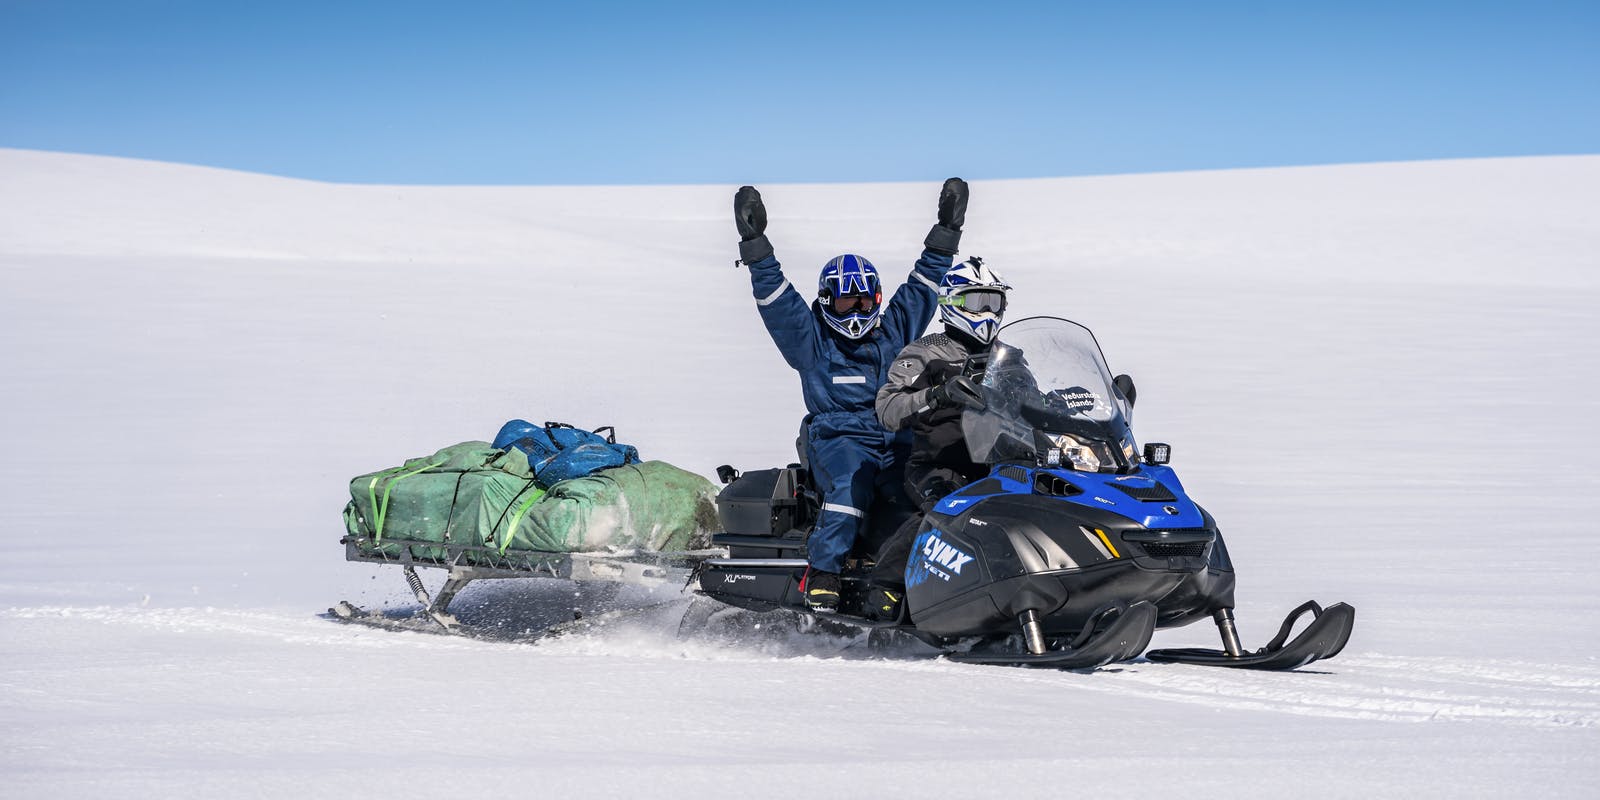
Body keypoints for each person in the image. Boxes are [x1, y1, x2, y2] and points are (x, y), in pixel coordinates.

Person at [734, 178, 968, 612]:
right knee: (851, 489)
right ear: (826, 302)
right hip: (839, 440)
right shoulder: (811, 341)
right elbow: (777, 301)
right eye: (846, 304)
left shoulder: (894, 329)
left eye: (864, 301)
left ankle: (903, 582)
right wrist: (755, 245)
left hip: (896, 438)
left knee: (920, 498)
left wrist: (947, 230)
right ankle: (822, 572)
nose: (857, 312)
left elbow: (924, 284)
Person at [866, 257, 1013, 619]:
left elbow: (1035, 400)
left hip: (1000, 463)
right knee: (945, 510)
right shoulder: (927, 352)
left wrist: (1069, 399)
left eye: (995, 302)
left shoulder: (1008, 357)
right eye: (979, 302)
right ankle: (885, 585)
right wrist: (936, 395)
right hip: (940, 463)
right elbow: (887, 408)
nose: (989, 312)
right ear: (953, 302)